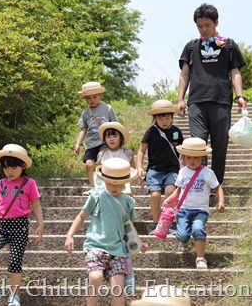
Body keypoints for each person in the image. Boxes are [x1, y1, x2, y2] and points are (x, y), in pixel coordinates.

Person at [177, 3, 247, 187]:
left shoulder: (229, 45)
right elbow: (185, 74)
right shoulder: (191, 47)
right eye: (199, 26)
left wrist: (240, 96)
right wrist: (180, 99)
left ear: (216, 22)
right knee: (197, 145)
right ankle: (200, 185)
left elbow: (235, 72)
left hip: (221, 100)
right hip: (197, 103)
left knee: (220, 145)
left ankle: (216, 185)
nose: (204, 29)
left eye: (207, 25)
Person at [64, 158, 147, 306]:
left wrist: (138, 243)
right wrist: (70, 235)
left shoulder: (127, 201)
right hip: (96, 245)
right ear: (103, 180)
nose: (114, 187)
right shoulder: (96, 196)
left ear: (126, 182)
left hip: (118, 249)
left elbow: (129, 226)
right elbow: (81, 216)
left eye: (118, 183)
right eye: (110, 183)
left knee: (117, 287)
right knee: (95, 277)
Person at [0, 144, 44, 306]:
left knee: (15, 261)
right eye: (6, 168)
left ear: (22, 166)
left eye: (13, 167)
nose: (10, 171)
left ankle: (14, 296)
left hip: (20, 226)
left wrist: (40, 224)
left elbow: (35, 205)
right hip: (1, 225)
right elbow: (1, 205)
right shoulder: (0, 184)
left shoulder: (29, 183)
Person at [162, 138, 225, 269]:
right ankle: (182, 238)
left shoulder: (207, 173)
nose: (192, 161)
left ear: (202, 157)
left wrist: (221, 202)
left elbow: (218, 187)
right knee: (183, 236)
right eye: (189, 158)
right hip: (184, 210)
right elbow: (179, 190)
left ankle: (201, 258)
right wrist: (170, 200)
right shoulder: (182, 172)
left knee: (197, 229)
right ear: (183, 157)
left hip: (200, 210)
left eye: (196, 158)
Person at [136, 100, 184, 235]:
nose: (164, 121)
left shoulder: (176, 132)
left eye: (167, 117)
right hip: (155, 170)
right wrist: (139, 167)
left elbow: (183, 151)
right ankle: (157, 224)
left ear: (172, 118)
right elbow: (141, 150)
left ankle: (169, 223)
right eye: (160, 118)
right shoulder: (151, 131)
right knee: (155, 196)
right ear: (155, 118)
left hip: (172, 169)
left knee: (170, 193)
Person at [74, 81, 118, 193]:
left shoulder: (107, 108)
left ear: (100, 95)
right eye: (88, 98)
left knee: (103, 163)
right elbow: (83, 129)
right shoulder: (85, 113)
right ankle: (93, 187)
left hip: (104, 142)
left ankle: (105, 185)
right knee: (89, 164)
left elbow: (115, 124)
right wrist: (78, 144)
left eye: (94, 97)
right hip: (90, 143)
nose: (92, 100)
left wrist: (117, 140)